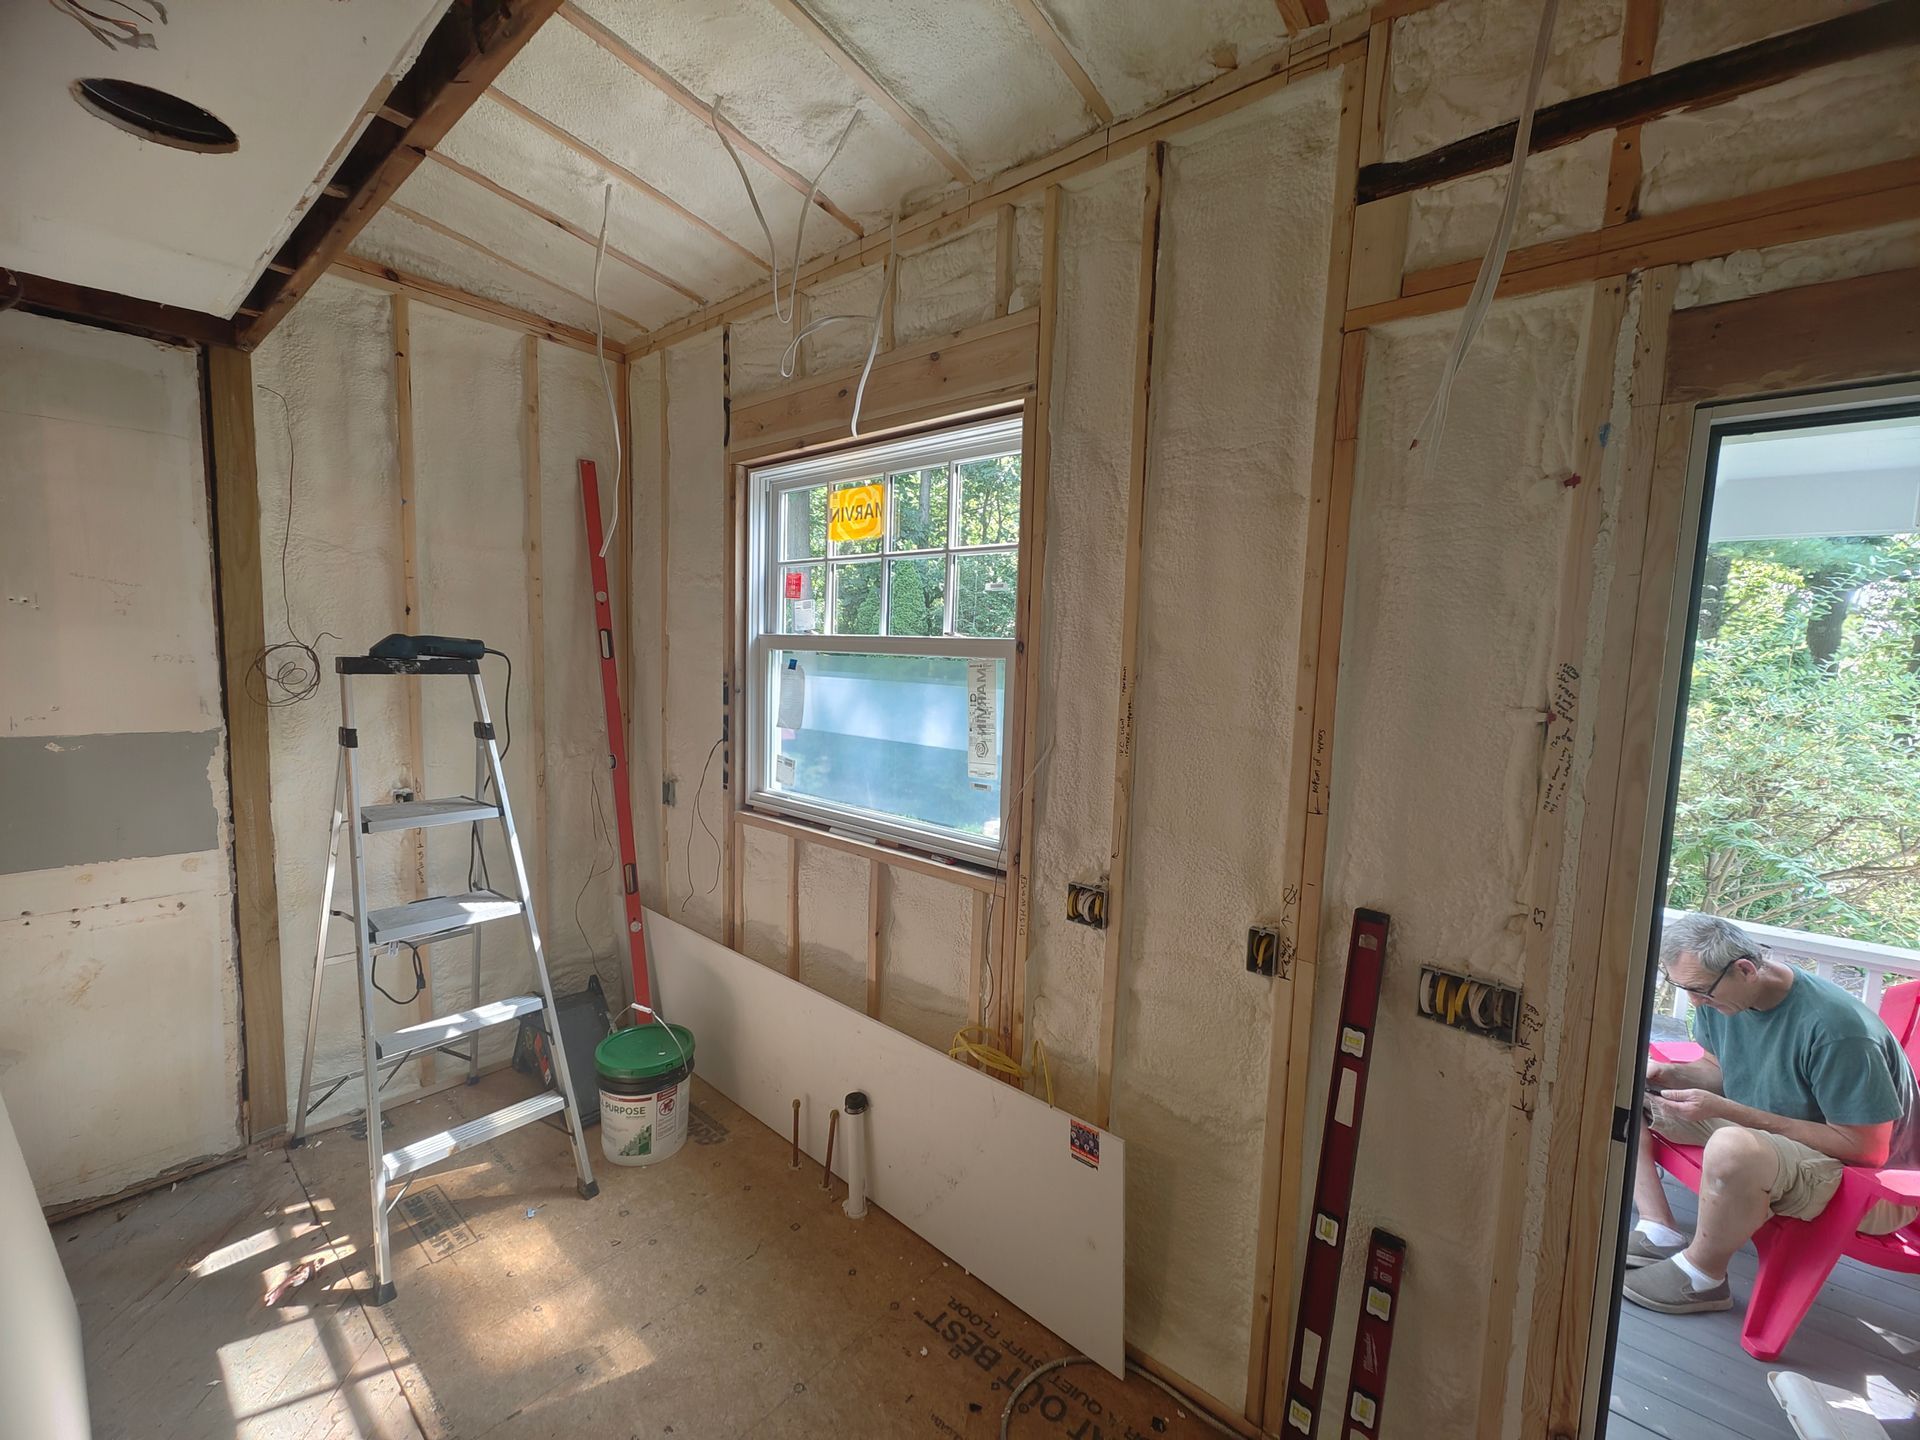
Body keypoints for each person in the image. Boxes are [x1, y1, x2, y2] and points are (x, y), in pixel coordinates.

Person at [1624, 912, 1920, 1315]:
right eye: (1683, 989)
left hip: (1869, 1184)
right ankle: (1658, 1228)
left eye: (1699, 991)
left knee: (1732, 1146)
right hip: (1779, 1137)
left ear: (1745, 969)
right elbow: (1718, 1070)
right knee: (1623, 1088)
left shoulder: (1839, 1031)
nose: (1694, 1002)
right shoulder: (1725, 999)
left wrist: (1732, 1113)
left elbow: (1867, 1150)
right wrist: (1666, 1073)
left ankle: (1703, 1278)